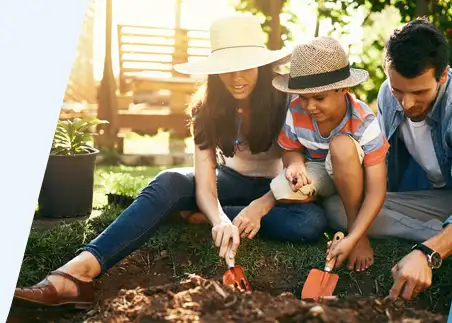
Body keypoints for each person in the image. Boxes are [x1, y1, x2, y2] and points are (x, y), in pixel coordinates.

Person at [12, 15, 327, 309]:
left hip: (280, 190)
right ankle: (78, 272)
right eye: (227, 66)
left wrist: (260, 206)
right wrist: (218, 219)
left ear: (262, 65)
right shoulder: (207, 107)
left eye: (246, 66)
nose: (236, 77)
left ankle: (192, 215)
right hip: (232, 182)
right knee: (170, 181)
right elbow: (205, 184)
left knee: (310, 222)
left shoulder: (287, 99)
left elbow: (306, 168)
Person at [324, 17, 452, 300]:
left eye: (419, 92)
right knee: (337, 210)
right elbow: (380, 167)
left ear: (443, 75)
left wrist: (427, 252)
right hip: (430, 197)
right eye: (398, 91)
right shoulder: (387, 95)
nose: (407, 103)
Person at [268, 36, 389, 273]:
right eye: (303, 97)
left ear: (343, 88)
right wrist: (294, 164)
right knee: (281, 188)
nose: (310, 106)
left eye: (319, 98)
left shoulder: (364, 122)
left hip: (352, 175)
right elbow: (290, 149)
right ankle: (237, 212)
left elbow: (377, 189)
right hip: (317, 171)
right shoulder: (295, 110)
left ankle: (354, 224)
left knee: (342, 145)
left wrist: (355, 237)